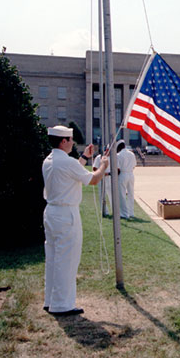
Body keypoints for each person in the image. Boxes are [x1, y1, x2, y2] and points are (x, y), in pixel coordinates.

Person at [42, 125, 108, 316]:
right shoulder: (66, 161)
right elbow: (93, 179)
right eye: (70, 140)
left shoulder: (49, 160)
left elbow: (72, 173)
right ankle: (62, 304)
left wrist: (85, 158)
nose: (72, 143)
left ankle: (50, 300)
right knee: (67, 260)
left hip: (52, 212)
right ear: (64, 141)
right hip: (66, 214)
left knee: (54, 258)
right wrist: (103, 165)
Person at [116, 140, 136, 219]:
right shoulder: (131, 154)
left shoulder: (118, 155)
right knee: (131, 194)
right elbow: (134, 166)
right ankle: (131, 212)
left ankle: (124, 213)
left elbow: (118, 168)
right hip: (131, 174)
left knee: (122, 194)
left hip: (123, 174)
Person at [93, 146, 112, 216]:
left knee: (111, 194)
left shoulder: (112, 157)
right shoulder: (99, 157)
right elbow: (94, 168)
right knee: (102, 194)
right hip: (101, 178)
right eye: (107, 150)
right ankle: (105, 211)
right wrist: (101, 173)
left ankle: (114, 210)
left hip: (109, 178)